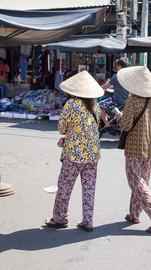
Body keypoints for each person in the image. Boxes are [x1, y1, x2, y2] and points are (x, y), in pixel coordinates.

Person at [45, 71, 104, 232]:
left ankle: (60, 217)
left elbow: (62, 128)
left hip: (74, 154)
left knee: (65, 186)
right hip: (92, 154)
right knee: (89, 188)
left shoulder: (71, 104)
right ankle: (88, 220)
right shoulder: (95, 105)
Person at [115, 66, 151, 233]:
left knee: (136, 183)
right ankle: (134, 214)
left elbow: (126, 124)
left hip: (133, 148)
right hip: (149, 147)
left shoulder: (132, 100)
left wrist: (119, 117)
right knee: (141, 181)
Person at [99, 57, 129, 129]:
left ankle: (106, 124)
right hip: (127, 101)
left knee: (98, 106)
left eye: (118, 66)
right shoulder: (130, 77)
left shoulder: (116, 77)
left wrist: (99, 88)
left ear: (120, 66)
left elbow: (106, 87)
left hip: (116, 101)